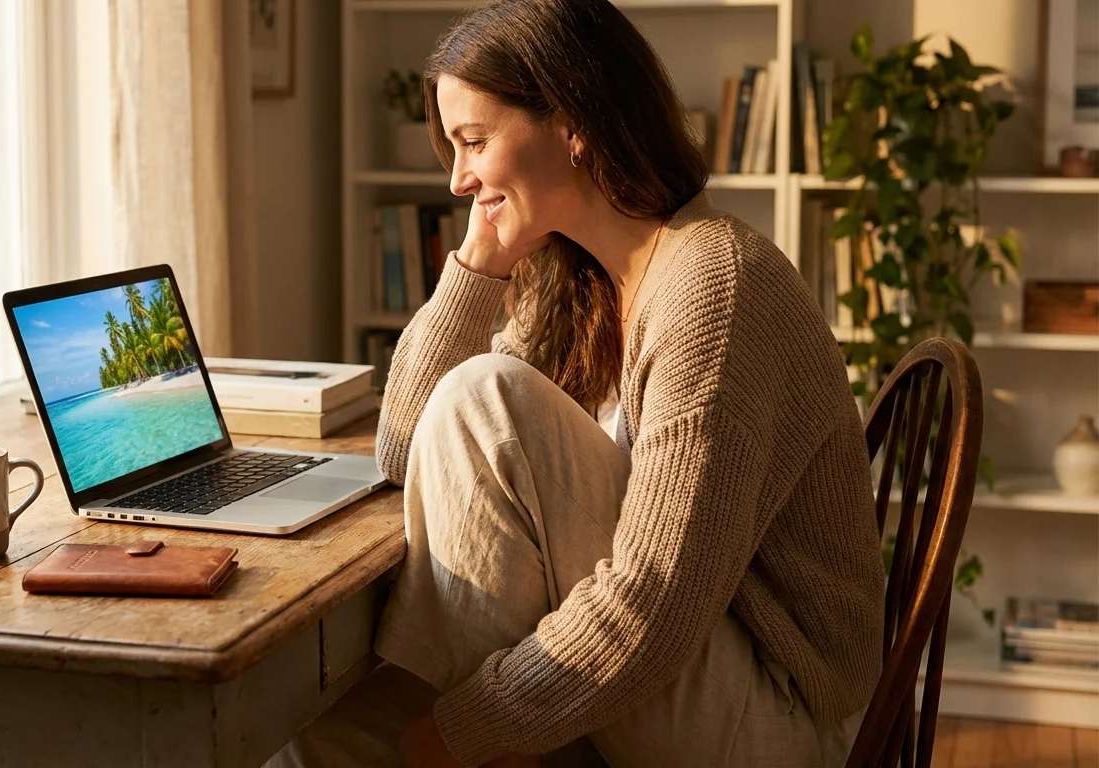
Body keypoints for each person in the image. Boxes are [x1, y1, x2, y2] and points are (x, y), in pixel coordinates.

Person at [269, 0, 885, 765]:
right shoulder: (579, 278)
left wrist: (464, 732)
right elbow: (404, 449)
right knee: (307, 740)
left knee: (483, 399)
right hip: (668, 659)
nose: (458, 180)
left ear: (573, 123)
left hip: (782, 704)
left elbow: (656, 604)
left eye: (474, 142)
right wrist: (480, 263)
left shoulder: (712, 287)